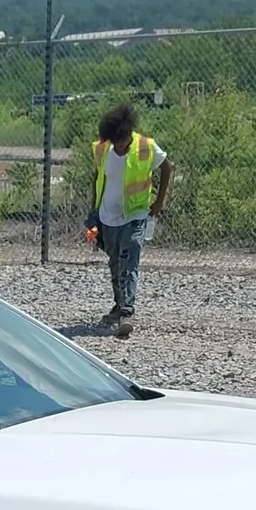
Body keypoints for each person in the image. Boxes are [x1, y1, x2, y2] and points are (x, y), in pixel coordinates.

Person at [89, 102, 172, 339]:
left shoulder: (146, 147)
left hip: (135, 215)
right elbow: (97, 178)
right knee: (115, 262)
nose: (119, 145)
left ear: (128, 134)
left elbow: (167, 168)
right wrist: (94, 213)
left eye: (122, 141)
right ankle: (119, 305)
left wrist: (159, 201)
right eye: (115, 141)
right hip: (108, 217)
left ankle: (127, 310)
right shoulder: (102, 149)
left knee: (130, 258)